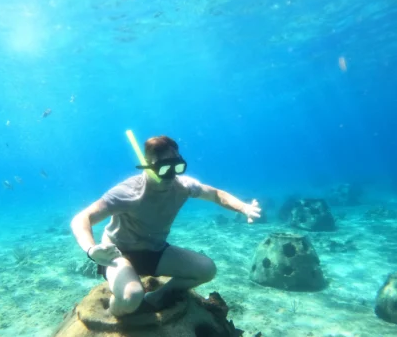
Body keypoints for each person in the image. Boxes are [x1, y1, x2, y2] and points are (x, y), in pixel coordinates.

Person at [71, 135, 261, 317]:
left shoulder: (184, 186)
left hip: (155, 251)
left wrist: (243, 207)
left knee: (206, 270)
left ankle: (156, 297)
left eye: (177, 167)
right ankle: (115, 310)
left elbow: (216, 194)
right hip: (117, 253)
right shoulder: (127, 192)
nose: (171, 176)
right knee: (131, 298)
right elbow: (82, 218)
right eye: (164, 168)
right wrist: (91, 249)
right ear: (147, 166)